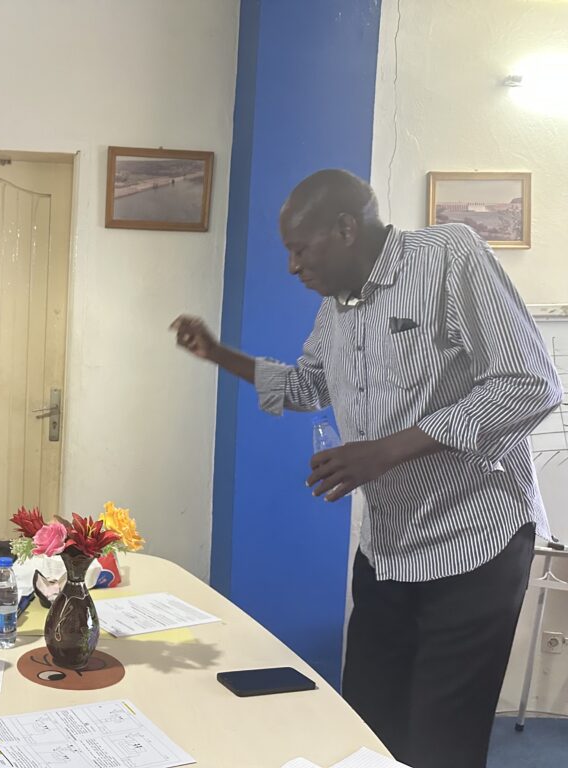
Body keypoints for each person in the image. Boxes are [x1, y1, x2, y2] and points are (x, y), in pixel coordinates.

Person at [172, 169, 561, 768]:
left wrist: (384, 450)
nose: (292, 266)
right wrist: (220, 354)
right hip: (388, 547)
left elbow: (530, 383)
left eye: (300, 249)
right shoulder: (337, 309)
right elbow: (308, 386)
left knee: (441, 742)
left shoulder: (449, 256)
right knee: (370, 727)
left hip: (475, 542)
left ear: (346, 229)